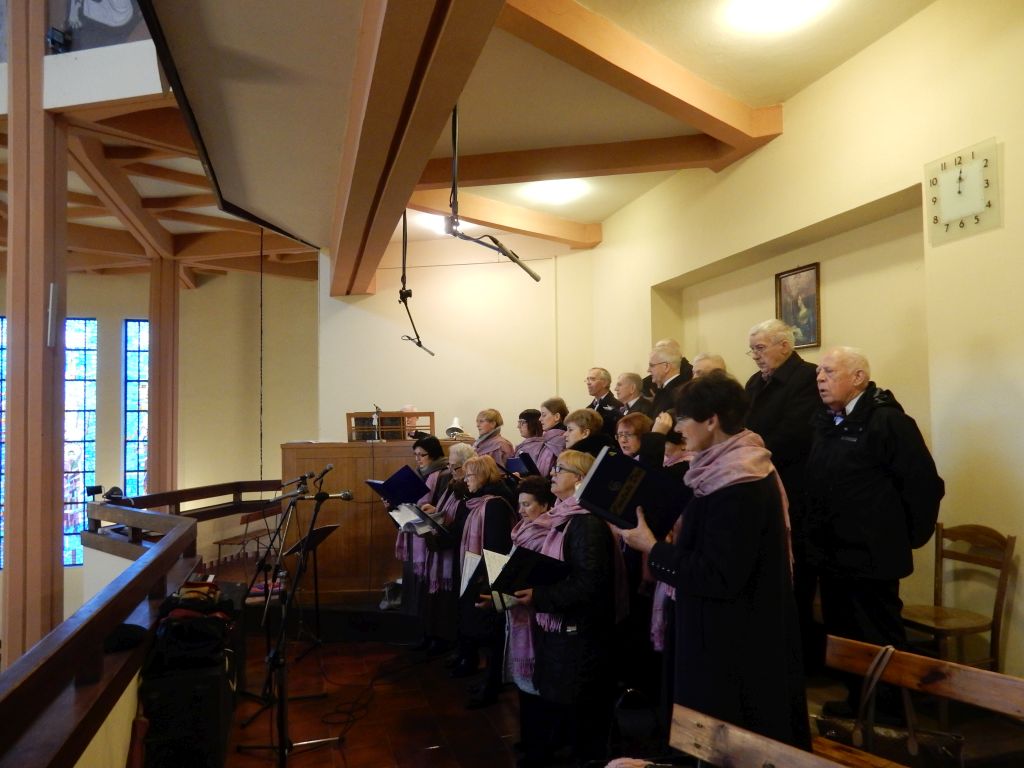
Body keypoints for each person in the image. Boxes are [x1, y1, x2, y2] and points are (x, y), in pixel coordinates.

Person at [618, 372, 811, 750]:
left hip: (732, 645)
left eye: (684, 418)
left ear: (711, 420)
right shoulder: (725, 469)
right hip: (724, 632)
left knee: (728, 745)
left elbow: (718, 575)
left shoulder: (738, 482)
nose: (678, 429)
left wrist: (652, 547)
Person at [805, 347, 944, 716]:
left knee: (877, 634)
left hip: (872, 554)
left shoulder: (888, 422)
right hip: (832, 553)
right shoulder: (827, 422)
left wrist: (904, 537)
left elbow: (924, 485)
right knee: (844, 633)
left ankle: (890, 713)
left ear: (858, 378)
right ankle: (858, 703)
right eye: (819, 372)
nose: (820, 379)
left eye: (829, 372)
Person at [513, 450, 619, 766]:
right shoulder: (565, 517)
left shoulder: (586, 523)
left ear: (580, 479)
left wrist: (539, 596)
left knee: (581, 708)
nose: (552, 473)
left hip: (580, 630)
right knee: (565, 702)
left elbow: (589, 584)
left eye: (560, 469)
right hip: (564, 626)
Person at [743, 318, 823, 672]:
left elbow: (795, 434)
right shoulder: (754, 383)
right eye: (752, 350)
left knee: (796, 579)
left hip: (793, 488)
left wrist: (750, 451)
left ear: (785, 346)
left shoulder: (805, 378)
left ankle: (798, 661)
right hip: (759, 484)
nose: (755, 356)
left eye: (760, 348)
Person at [504, 475, 557, 768]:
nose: (521, 510)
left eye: (527, 505)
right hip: (519, 610)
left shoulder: (547, 534)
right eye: (520, 504)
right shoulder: (523, 530)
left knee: (537, 685)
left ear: (545, 505)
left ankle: (540, 748)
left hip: (537, 616)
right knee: (525, 687)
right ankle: (529, 739)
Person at [455, 454, 516, 707]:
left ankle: (492, 685)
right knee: (486, 633)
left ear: (481, 476)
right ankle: (489, 681)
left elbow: (495, 548)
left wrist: (482, 580)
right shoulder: (481, 502)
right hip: (480, 571)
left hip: (490, 575)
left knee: (492, 635)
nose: (465, 480)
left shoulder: (495, 505)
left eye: (469, 475)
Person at [418, 442, 477, 655]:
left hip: (455, 551)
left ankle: (447, 641)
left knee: (448, 603)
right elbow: (448, 512)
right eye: (450, 466)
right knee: (436, 599)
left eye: (455, 467)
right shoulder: (453, 483)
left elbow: (463, 521)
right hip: (443, 544)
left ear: (468, 466)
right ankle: (434, 636)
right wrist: (435, 511)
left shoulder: (469, 489)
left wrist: (440, 521)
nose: (451, 471)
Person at [395, 437, 450, 639]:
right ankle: (417, 632)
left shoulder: (444, 474)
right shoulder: (417, 474)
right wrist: (393, 503)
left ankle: (431, 634)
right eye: (415, 455)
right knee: (415, 588)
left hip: (429, 539)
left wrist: (434, 509)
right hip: (413, 536)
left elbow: (445, 507)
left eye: (422, 455)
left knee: (427, 592)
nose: (418, 459)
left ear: (434, 454)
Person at [647, 345, 691, 416]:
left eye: (652, 365)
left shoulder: (680, 393)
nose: (648, 370)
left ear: (666, 367)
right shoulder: (665, 390)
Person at [515, 408, 558, 477]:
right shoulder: (524, 446)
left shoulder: (544, 446)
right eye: (519, 423)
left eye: (522, 423)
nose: (518, 426)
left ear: (533, 423)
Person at [585, 367, 623, 436]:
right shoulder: (588, 409)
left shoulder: (617, 406)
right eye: (587, 379)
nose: (588, 383)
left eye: (592, 379)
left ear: (605, 383)